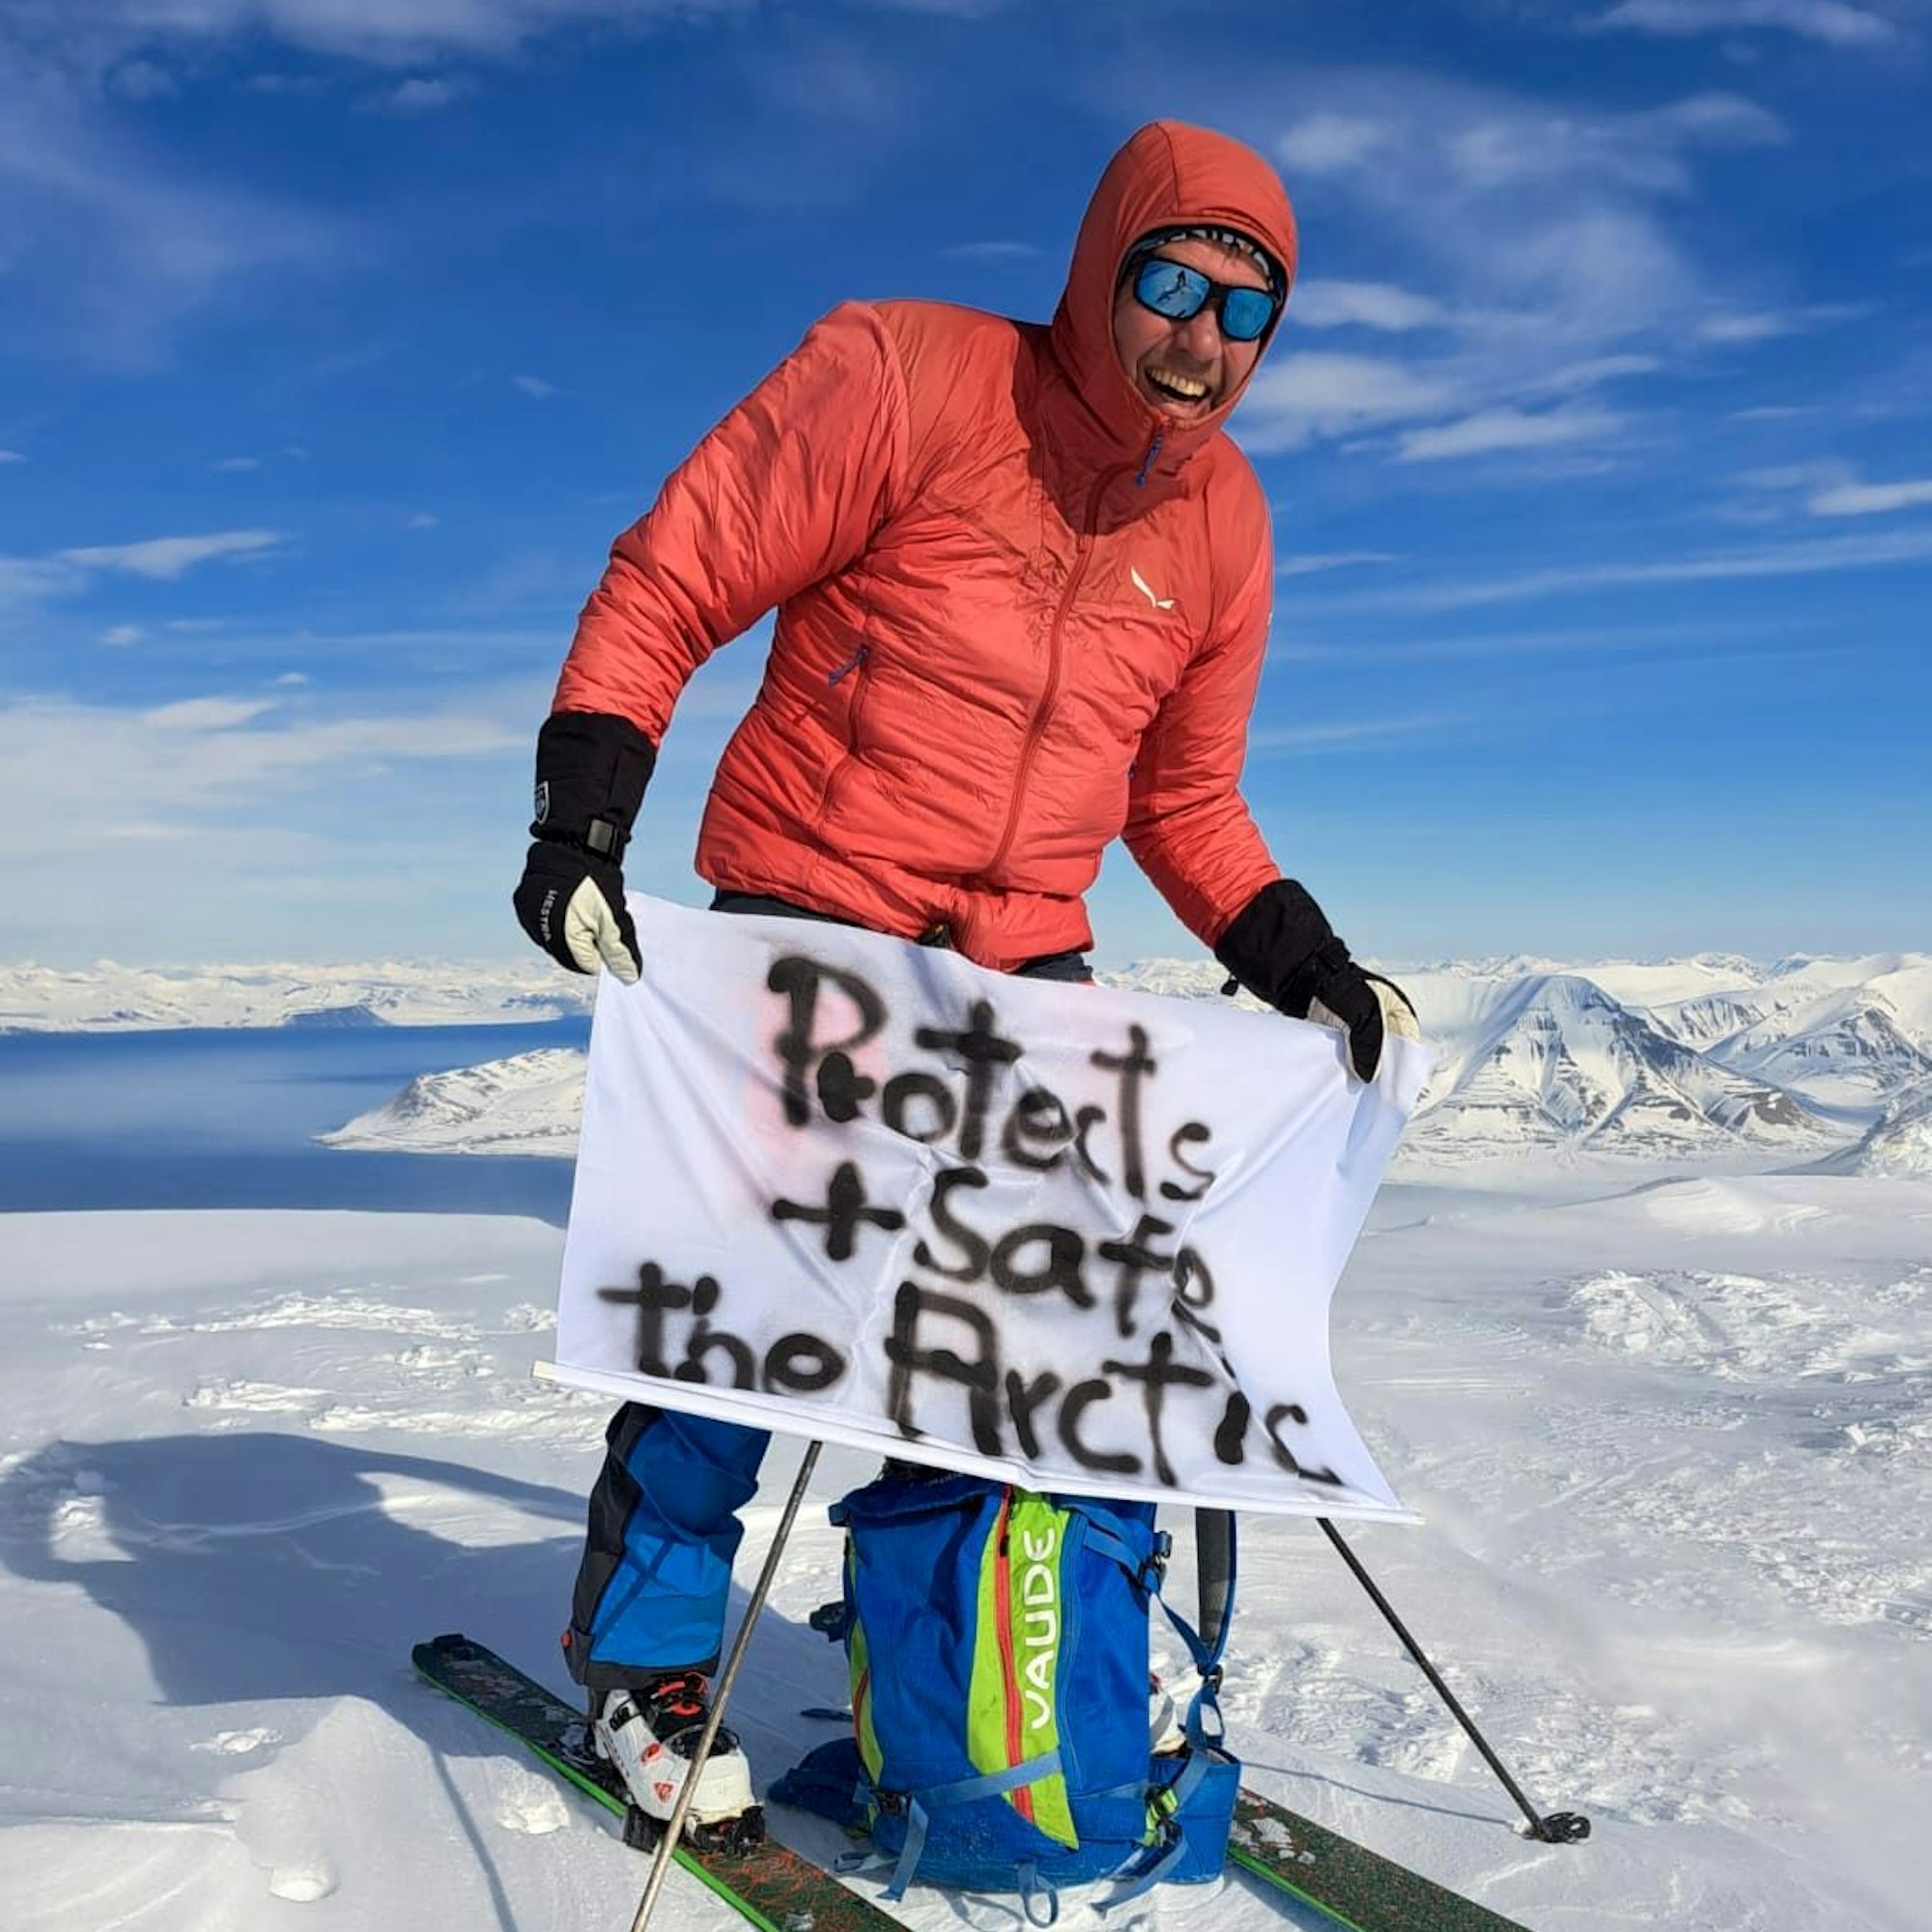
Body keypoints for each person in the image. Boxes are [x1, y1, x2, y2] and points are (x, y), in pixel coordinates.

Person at [513, 118, 1418, 1847]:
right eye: (1170, 281)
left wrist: (1297, 957)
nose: (1199, 338)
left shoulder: (1222, 521)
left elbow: (1183, 796)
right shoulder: (905, 376)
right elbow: (674, 575)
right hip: (811, 924)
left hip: (1024, 981)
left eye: (1248, 311)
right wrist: (583, 814)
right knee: (746, 1338)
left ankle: (939, 1694)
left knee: (1006, 1361)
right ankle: (644, 1669)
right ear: (1102, 268)